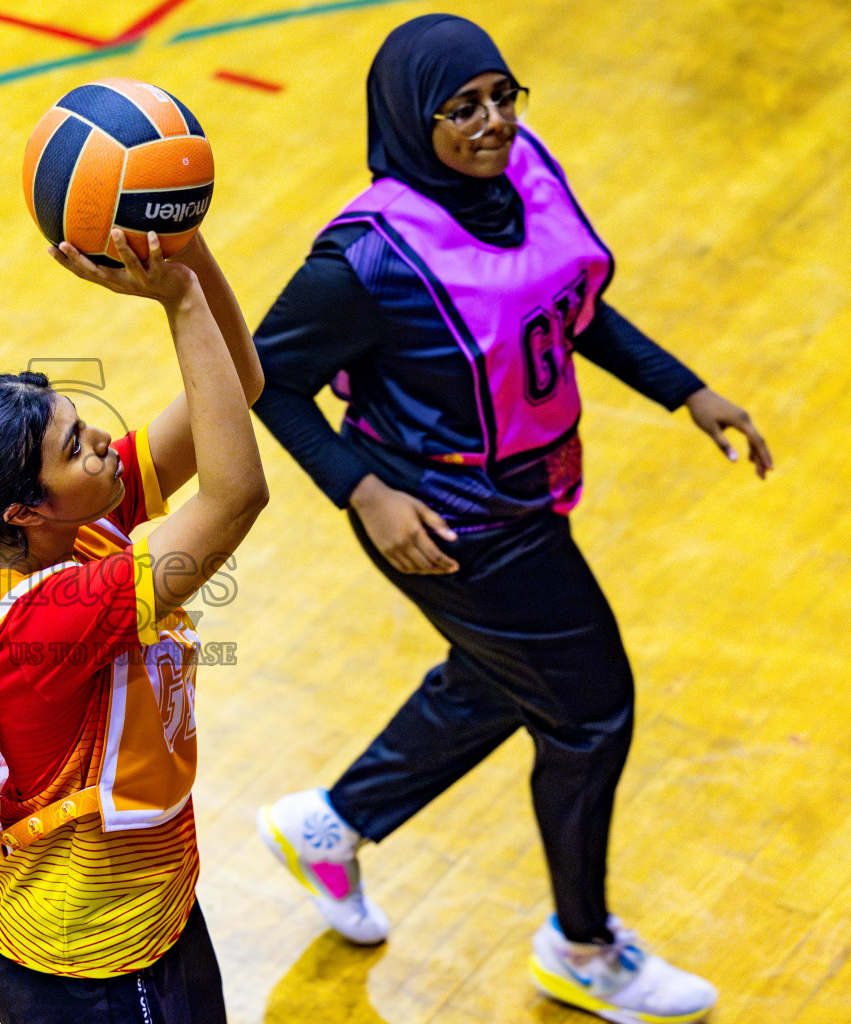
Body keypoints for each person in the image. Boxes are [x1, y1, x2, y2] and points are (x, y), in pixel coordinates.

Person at [249, 14, 771, 1024]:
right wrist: (365, 490)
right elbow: (266, 382)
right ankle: (582, 947)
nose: (492, 123)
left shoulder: (518, 179)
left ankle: (332, 822)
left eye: (503, 96)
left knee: (504, 676)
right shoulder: (362, 261)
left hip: (528, 492)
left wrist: (684, 389)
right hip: (444, 519)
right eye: (463, 108)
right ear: (411, 119)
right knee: (589, 710)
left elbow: (566, 306)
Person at [0, 228, 267, 1024]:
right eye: (77, 445)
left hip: (152, 919)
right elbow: (235, 496)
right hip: (95, 968)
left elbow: (236, 382)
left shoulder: (81, 527)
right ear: (24, 507)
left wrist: (186, 252)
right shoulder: (50, 618)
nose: (104, 441)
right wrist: (174, 300)